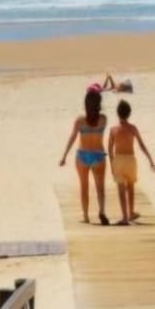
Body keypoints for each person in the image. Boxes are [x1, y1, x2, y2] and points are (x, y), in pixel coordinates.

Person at [58, 88, 110, 225]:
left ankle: (86, 216)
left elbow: (72, 138)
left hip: (83, 155)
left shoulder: (80, 121)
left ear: (86, 104)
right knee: (100, 187)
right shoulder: (104, 120)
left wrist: (64, 156)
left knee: (84, 186)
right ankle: (102, 211)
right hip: (98, 155)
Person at [107, 100, 155, 225]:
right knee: (131, 186)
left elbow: (109, 148)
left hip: (118, 159)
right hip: (130, 159)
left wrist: (112, 164)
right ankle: (131, 212)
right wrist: (150, 159)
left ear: (118, 114)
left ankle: (124, 217)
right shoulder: (133, 129)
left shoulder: (113, 129)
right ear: (129, 114)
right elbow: (141, 145)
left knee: (121, 189)